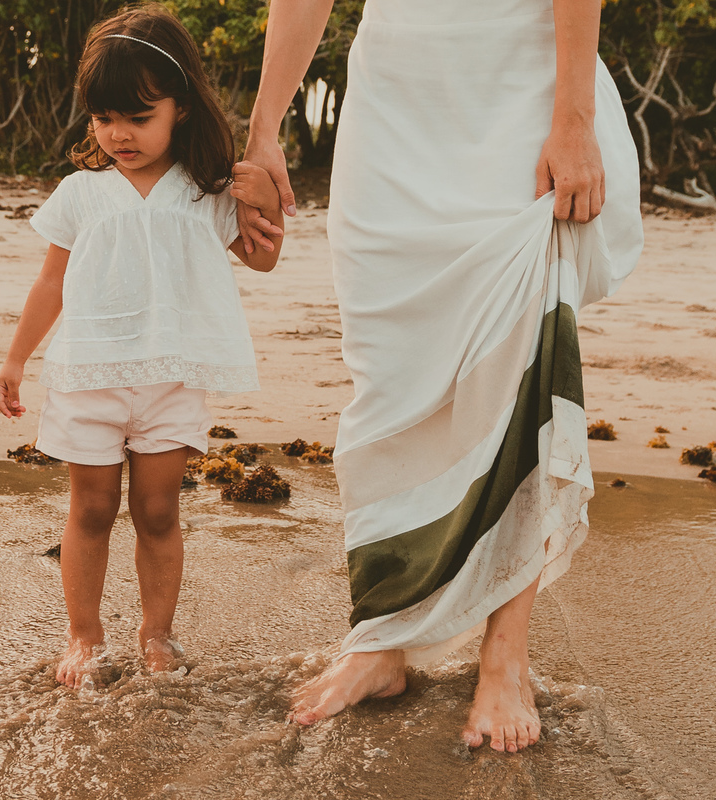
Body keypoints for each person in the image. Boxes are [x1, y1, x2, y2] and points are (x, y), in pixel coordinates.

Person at [237, 0, 643, 751]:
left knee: (514, 358)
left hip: (520, 80)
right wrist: (266, 124)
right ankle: (382, 635)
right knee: (386, 369)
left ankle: (506, 654)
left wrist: (575, 115)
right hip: (396, 85)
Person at [0, 4, 285, 688]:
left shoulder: (206, 192)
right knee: (90, 510)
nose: (118, 134)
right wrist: (15, 360)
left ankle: (157, 635)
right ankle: (85, 637)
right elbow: (50, 284)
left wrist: (266, 196)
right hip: (88, 376)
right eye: (103, 117)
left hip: (169, 378)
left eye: (137, 116)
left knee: (159, 512)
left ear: (180, 108)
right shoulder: (81, 193)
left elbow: (262, 258)